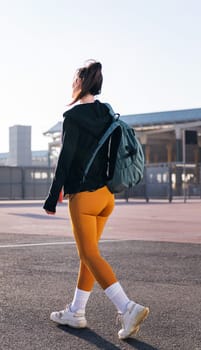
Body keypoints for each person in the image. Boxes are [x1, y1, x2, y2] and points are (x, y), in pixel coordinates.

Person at [43, 60, 149, 340]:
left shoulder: (73, 117)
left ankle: (127, 307)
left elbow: (64, 161)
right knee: (87, 255)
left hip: (85, 198)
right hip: (106, 197)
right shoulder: (107, 112)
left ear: (79, 83)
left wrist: (52, 198)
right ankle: (76, 312)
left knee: (89, 254)